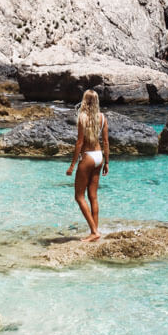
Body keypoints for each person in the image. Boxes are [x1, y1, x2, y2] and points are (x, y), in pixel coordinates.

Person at [66, 89, 109, 241]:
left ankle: (94, 232)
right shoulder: (102, 117)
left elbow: (79, 143)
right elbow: (106, 142)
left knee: (79, 196)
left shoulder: (82, 118)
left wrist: (72, 165)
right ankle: (95, 231)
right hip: (99, 157)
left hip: (88, 157)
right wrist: (107, 162)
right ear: (97, 101)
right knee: (93, 196)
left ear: (84, 100)